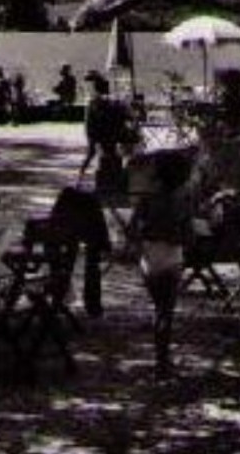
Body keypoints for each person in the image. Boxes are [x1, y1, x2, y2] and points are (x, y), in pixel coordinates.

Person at [128, 150, 200, 376]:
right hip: (171, 256)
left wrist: (144, 241)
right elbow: (189, 237)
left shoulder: (147, 199)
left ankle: (161, 359)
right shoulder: (183, 201)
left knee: (159, 308)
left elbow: (131, 230)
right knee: (165, 312)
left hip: (150, 256)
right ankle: (162, 362)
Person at [79, 73, 133, 202]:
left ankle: (80, 178)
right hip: (113, 136)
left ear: (96, 88)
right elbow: (127, 118)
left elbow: (89, 126)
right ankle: (119, 181)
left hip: (100, 136)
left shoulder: (93, 104)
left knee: (92, 153)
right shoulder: (116, 103)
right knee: (116, 153)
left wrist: (91, 138)